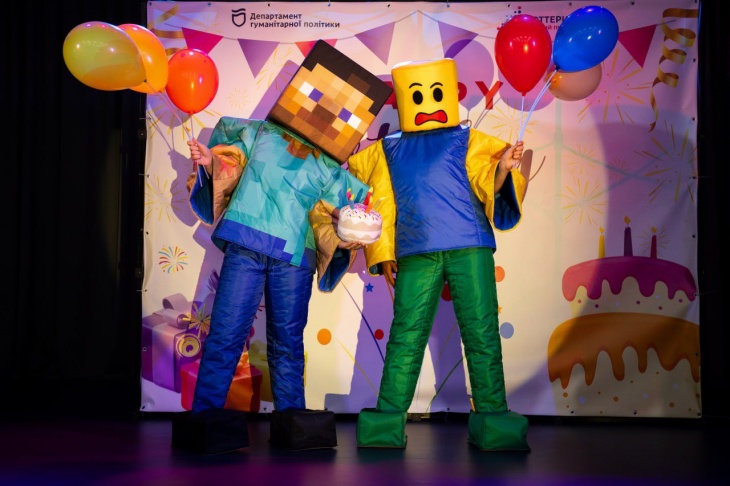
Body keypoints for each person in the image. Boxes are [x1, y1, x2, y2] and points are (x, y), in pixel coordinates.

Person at [171, 40, 392, 454]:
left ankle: (292, 421)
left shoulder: (330, 167)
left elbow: (349, 214)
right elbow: (230, 159)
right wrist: (210, 162)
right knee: (226, 333)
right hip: (248, 245)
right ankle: (206, 416)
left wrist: (356, 225)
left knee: (287, 342)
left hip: (292, 257)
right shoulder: (259, 133)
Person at [347, 57, 530, 451]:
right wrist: (383, 251)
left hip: (468, 245)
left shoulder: (468, 138)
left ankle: (493, 416)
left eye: (433, 93)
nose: (427, 103)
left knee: (481, 331)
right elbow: (379, 200)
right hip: (418, 249)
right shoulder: (389, 148)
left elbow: (487, 176)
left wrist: (503, 169)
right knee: (406, 335)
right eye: (418, 96)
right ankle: (387, 419)